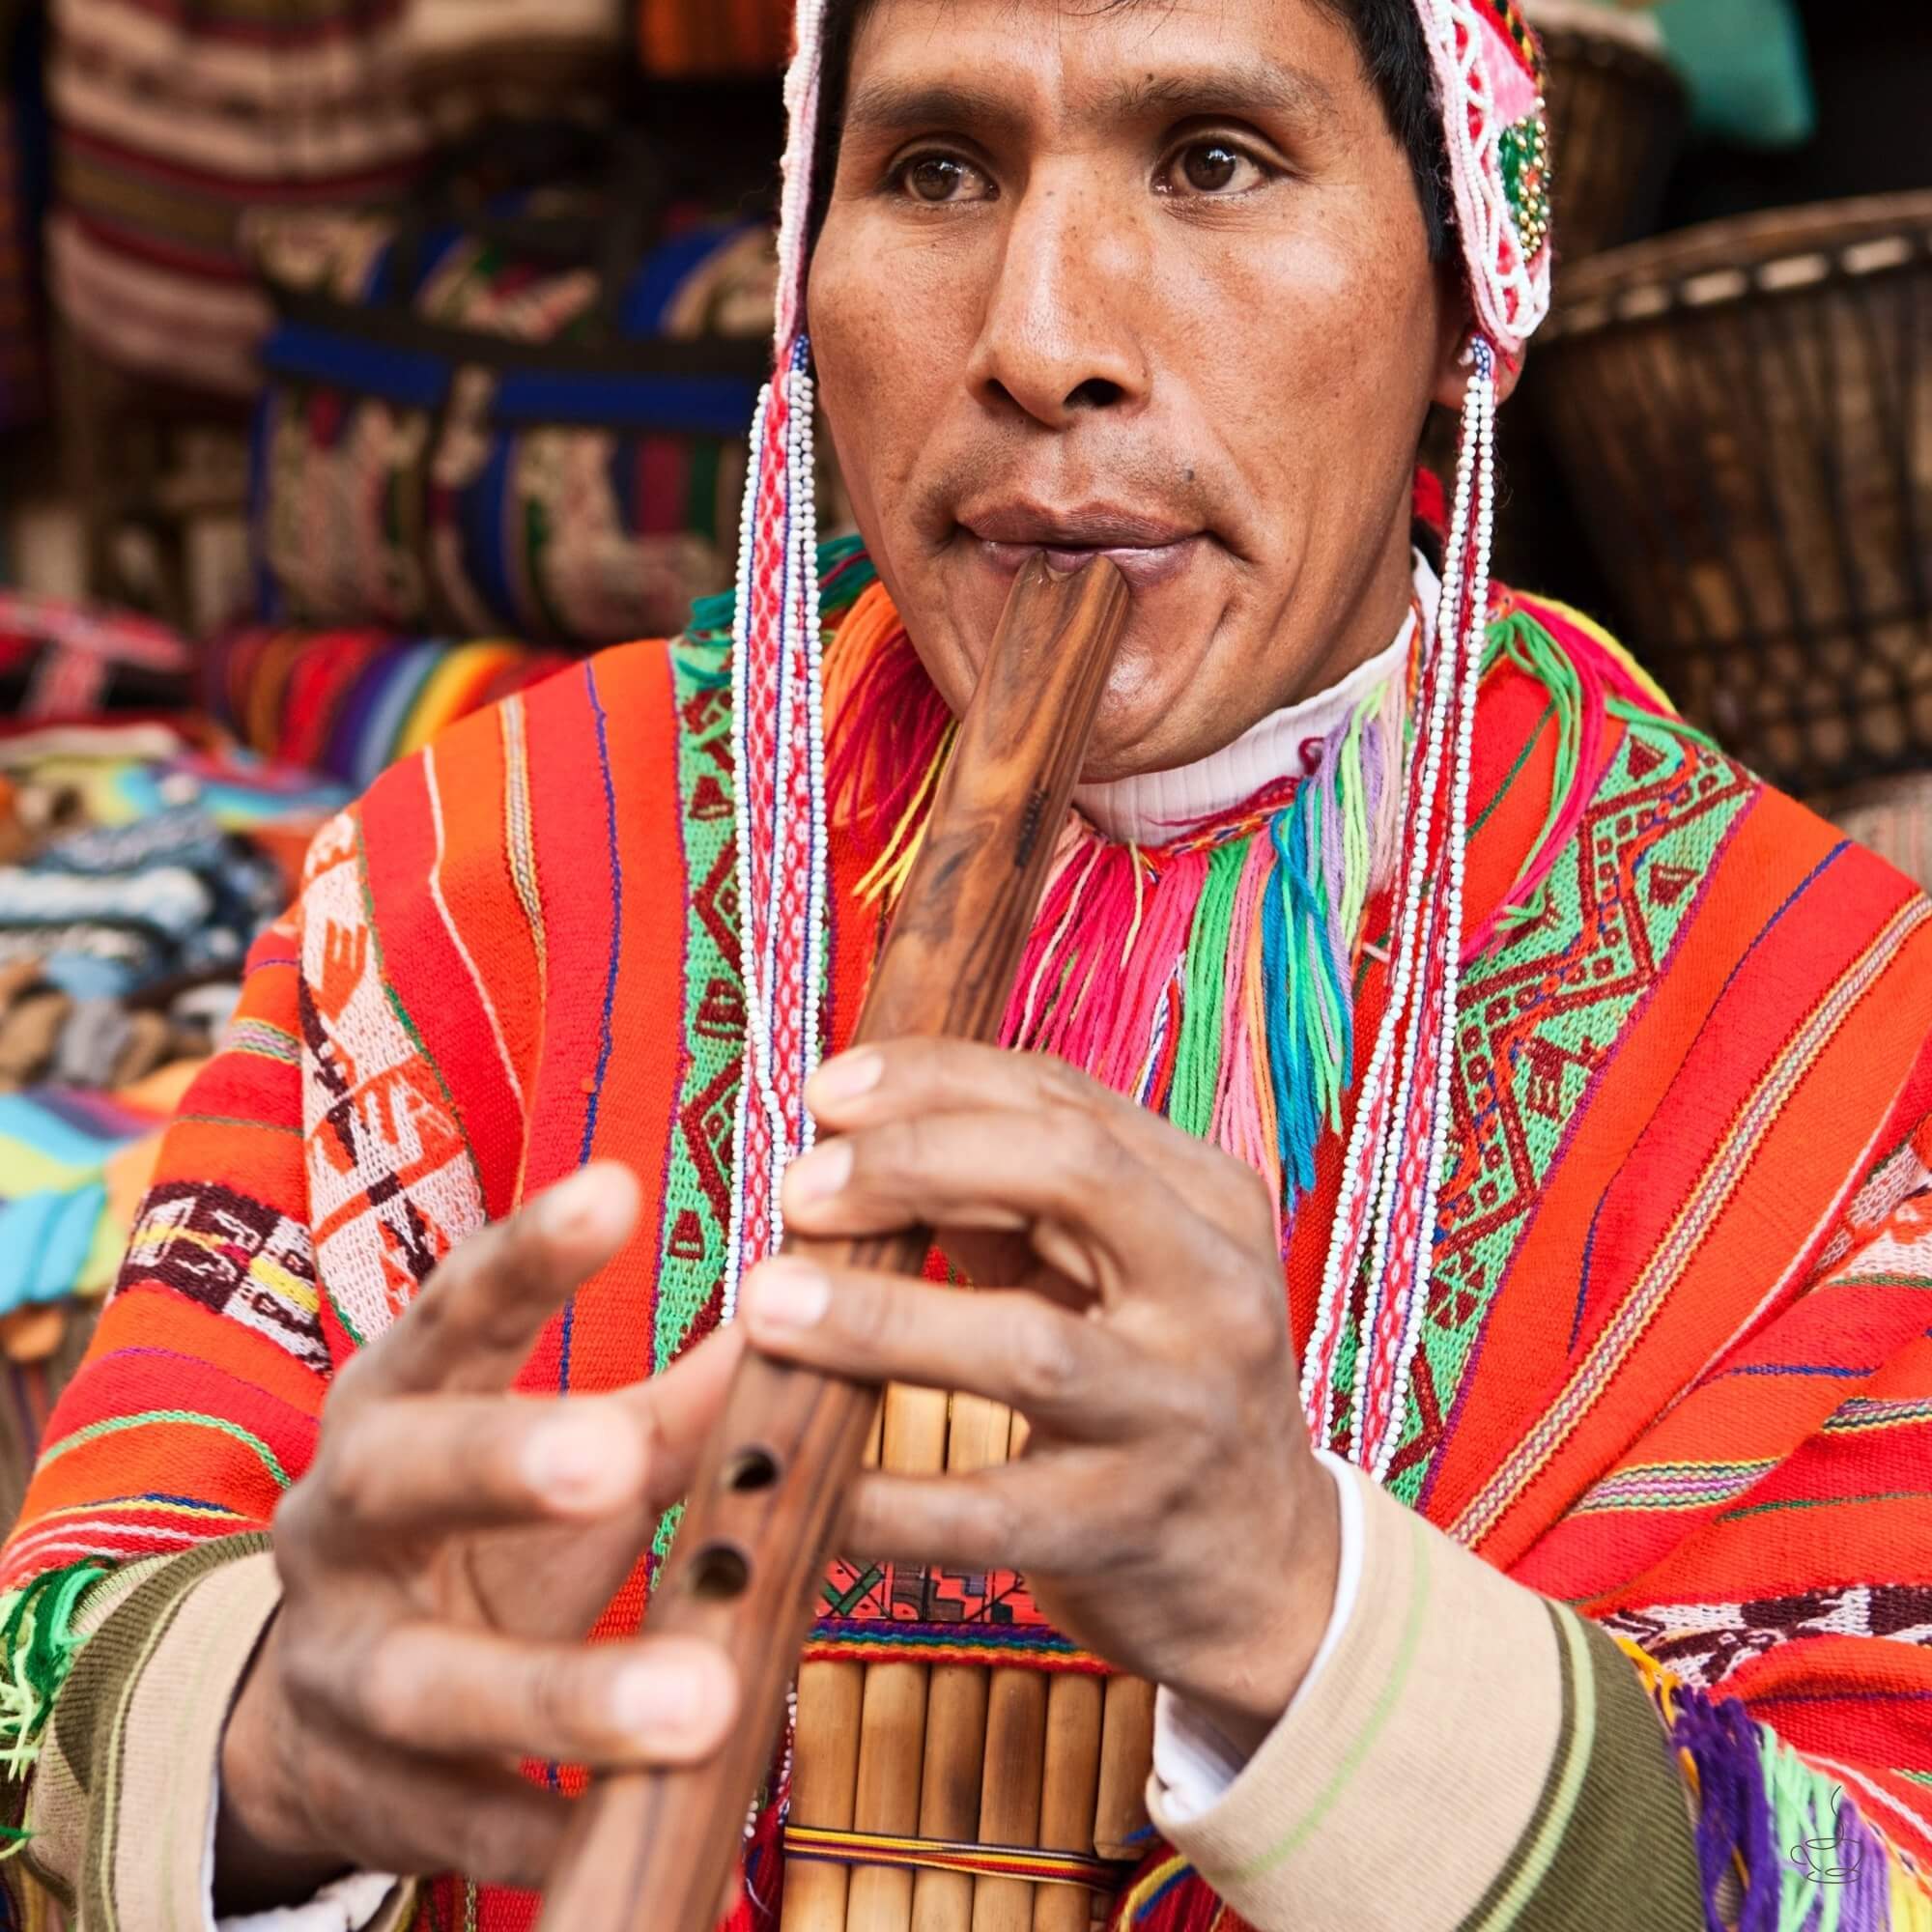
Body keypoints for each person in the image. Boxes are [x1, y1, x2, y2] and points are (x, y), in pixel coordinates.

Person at [7, 0, 1932, 1928]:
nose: (1040, 343)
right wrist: (266, 1759)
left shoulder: (1831, 1047)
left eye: (1212, 159)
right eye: (933, 170)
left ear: (1457, 300)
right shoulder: (479, 878)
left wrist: (1305, 1610)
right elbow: (64, 1670)